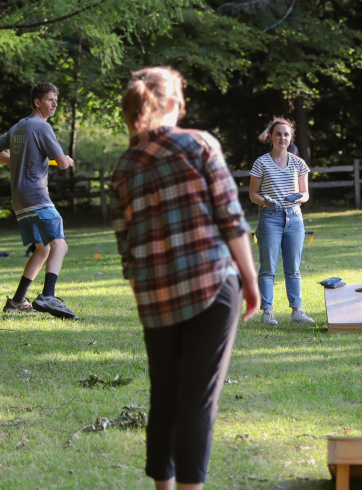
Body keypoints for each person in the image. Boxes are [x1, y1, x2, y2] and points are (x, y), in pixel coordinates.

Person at [109, 67, 260, 490]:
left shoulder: (122, 167)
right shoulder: (199, 144)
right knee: (198, 403)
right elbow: (232, 219)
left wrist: (147, 289)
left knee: (165, 400)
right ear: (173, 103)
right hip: (212, 287)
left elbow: (126, 246)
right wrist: (250, 281)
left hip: (154, 297)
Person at [0, 81, 77, 319]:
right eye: (49, 100)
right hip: (36, 194)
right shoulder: (42, 127)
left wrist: (16, 160)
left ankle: (16, 301)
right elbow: (64, 163)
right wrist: (65, 158)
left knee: (42, 249)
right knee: (60, 245)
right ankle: (48, 295)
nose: (54, 104)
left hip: (19, 199)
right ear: (37, 102)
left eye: (56, 100)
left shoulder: (18, 127)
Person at [248, 117, 313, 326]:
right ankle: (267, 312)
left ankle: (297, 311)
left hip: (294, 219)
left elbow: (305, 194)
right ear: (270, 137)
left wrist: (298, 198)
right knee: (268, 267)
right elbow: (253, 194)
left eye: (286, 134)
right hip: (269, 219)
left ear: (291, 137)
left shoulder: (298, 163)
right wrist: (266, 202)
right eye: (278, 134)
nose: (282, 138)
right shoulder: (261, 163)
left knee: (293, 268)